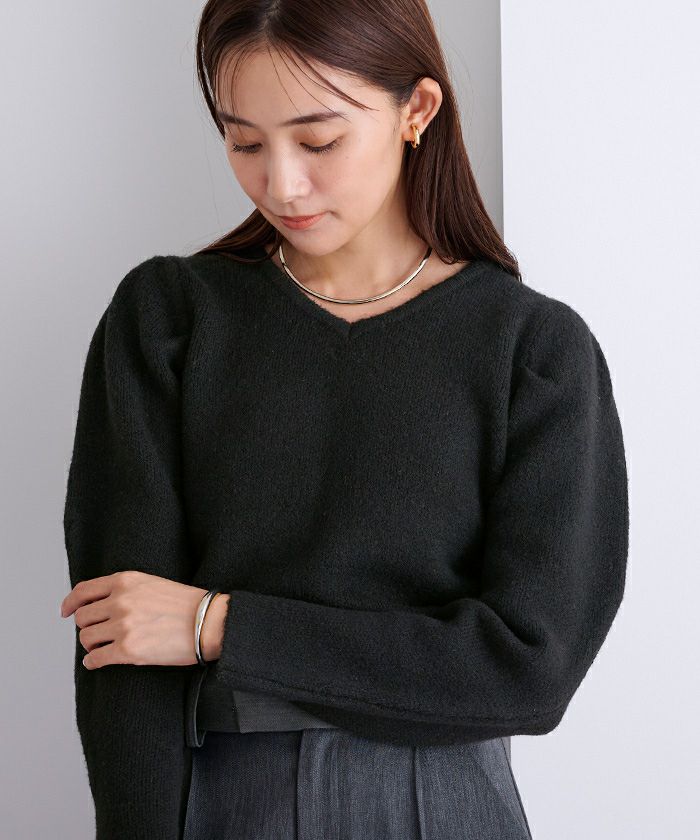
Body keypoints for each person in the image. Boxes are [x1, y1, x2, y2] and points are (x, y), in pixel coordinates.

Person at [60, 1, 629, 838]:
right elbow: (125, 649)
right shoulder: (169, 320)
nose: (281, 184)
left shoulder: (533, 351)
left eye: (319, 141)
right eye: (245, 142)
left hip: (443, 805)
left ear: (416, 110)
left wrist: (220, 625)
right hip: (220, 803)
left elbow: (528, 669)